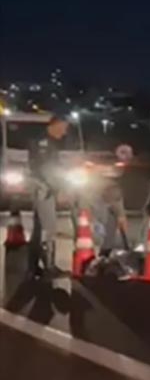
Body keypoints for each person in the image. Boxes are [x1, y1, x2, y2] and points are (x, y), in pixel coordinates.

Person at [27, 114, 69, 276]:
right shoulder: (44, 143)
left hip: (42, 187)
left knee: (38, 230)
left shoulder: (47, 141)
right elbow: (45, 169)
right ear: (55, 125)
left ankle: (33, 266)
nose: (64, 133)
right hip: (44, 189)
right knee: (49, 229)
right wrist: (59, 189)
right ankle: (49, 266)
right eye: (63, 128)